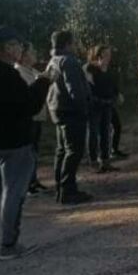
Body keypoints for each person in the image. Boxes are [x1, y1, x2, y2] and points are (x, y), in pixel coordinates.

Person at [0, 26, 53, 260]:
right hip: (13, 142)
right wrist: (43, 82)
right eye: (18, 45)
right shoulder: (7, 74)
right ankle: (9, 244)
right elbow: (29, 105)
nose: (21, 49)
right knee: (13, 191)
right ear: (7, 48)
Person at [47, 30, 93, 204]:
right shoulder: (69, 61)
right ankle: (68, 191)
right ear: (67, 44)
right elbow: (75, 90)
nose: (75, 46)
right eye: (74, 43)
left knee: (62, 151)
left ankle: (60, 188)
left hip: (57, 109)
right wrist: (84, 108)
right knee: (74, 151)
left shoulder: (53, 61)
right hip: (71, 111)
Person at [14, 42, 51, 194]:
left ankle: (33, 180)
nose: (35, 53)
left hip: (37, 117)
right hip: (29, 118)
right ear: (23, 56)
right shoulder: (19, 73)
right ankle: (27, 184)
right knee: (28, 152)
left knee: (34, 151)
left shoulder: (32, 70)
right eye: (32, 51)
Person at [85, 45, 119, 173]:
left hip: (107, 105)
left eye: (109, 54)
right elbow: (88, 88)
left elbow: (114, 85)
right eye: (105, 54)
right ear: (98, 55)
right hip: (94, 106)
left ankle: (105, 160)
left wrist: (116, 95)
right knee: (93, 133)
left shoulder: (109, 70)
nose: (108, 57)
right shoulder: (90, 69)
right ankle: (93, 161)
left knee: (106, 132)